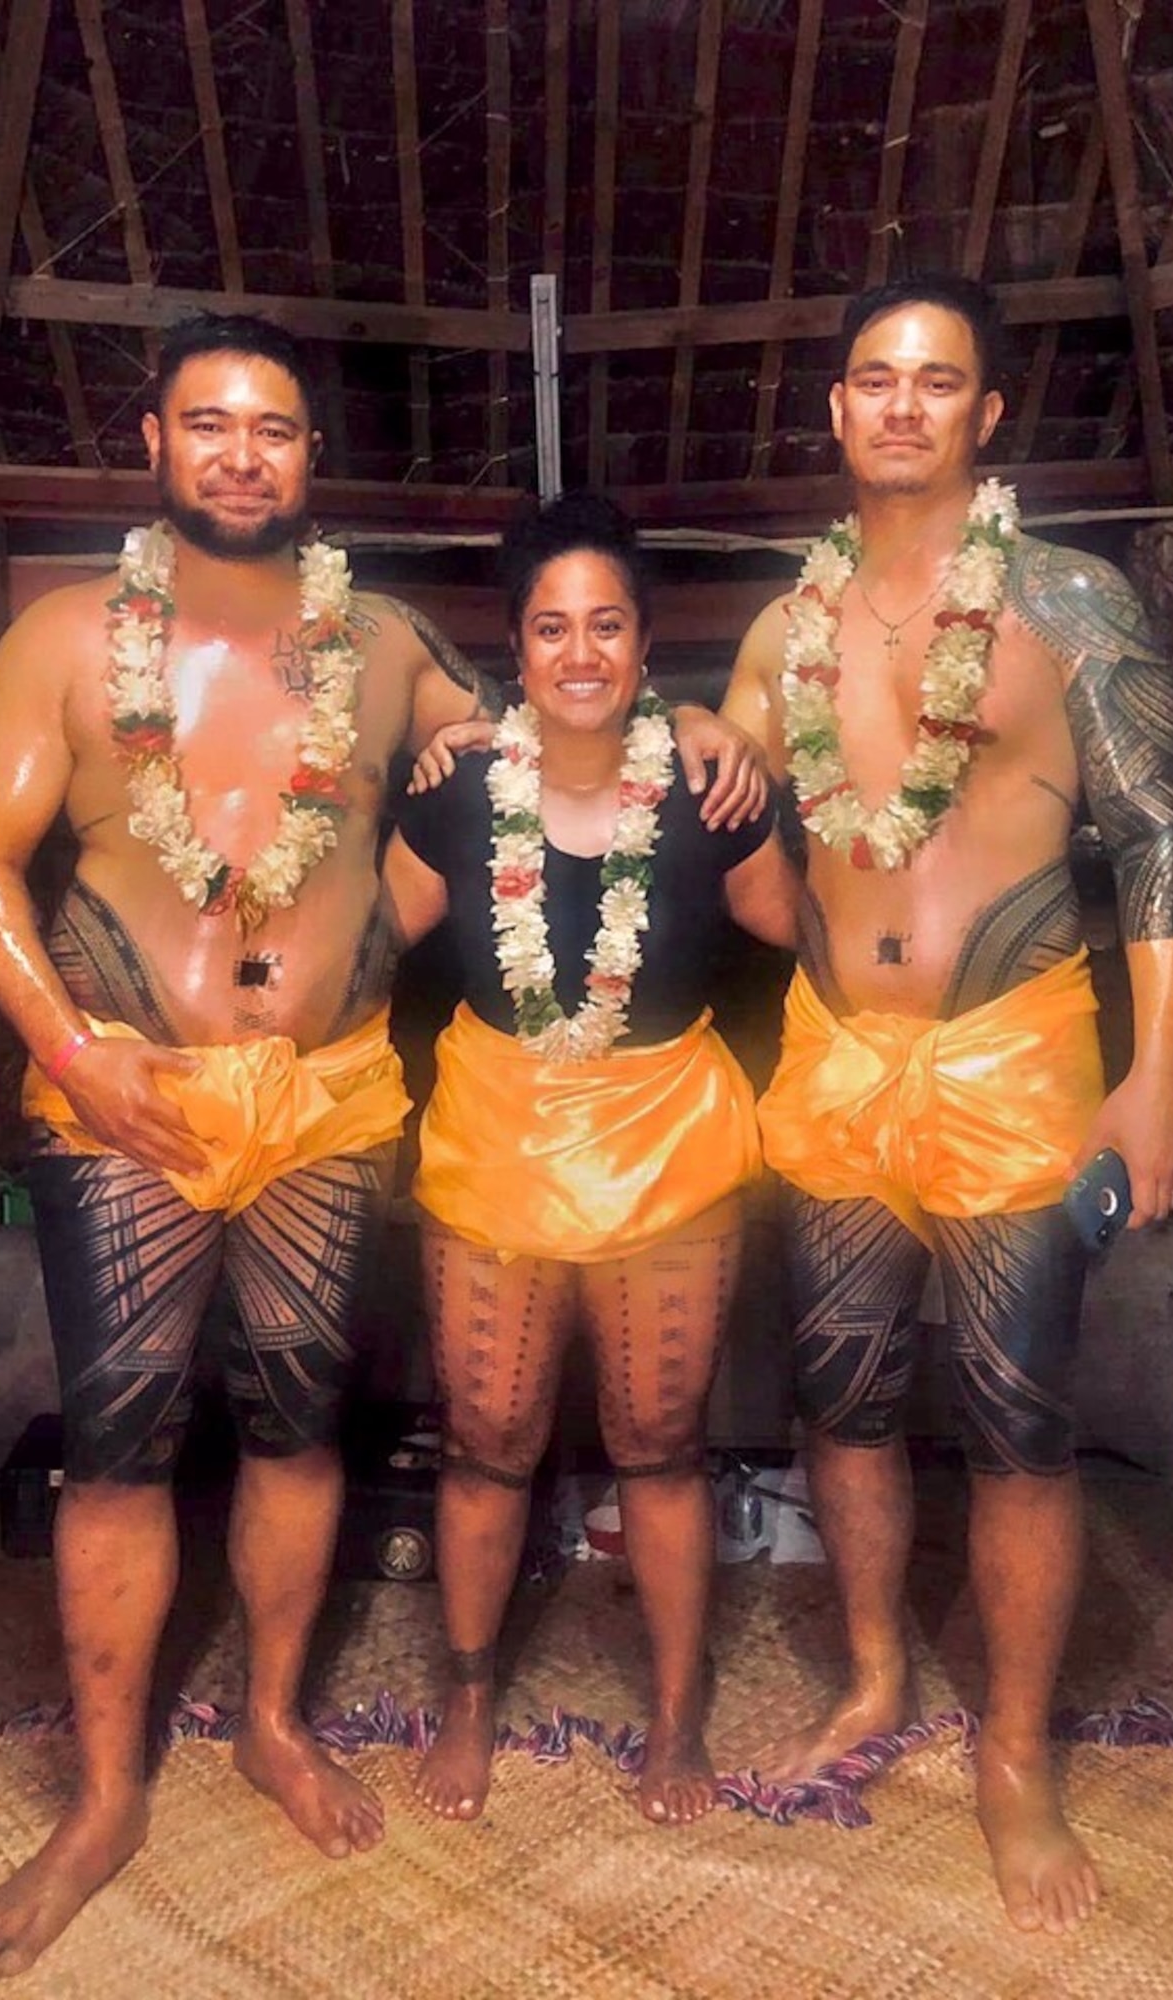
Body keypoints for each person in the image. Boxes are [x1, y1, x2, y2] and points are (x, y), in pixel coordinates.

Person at [0, 312, 760, 1978]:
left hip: (325, 1097)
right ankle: (102, 1796)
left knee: (299, 1422)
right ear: (152, 441)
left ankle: (272, 1720)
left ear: (311, 460)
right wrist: (67, 1053)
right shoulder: (63, 636)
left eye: (279, 429)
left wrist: (710, 723)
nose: (245, 452)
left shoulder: (381, 645)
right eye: (212, 423)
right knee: (118, 1436)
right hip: (131, 1092)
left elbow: (563, 707)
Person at [721, 276, 1173, 1935]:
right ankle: (870, 1675)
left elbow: (1157, 838)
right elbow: (720, 811)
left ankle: (1014, 1752)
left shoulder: (1070, 601)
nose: (904, 406)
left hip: (1015, 1052)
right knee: (845, 1390)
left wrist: (1157, 1080)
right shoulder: (787, 628)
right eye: (875, 379)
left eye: (939, 382)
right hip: (837, 1054)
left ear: (988, 415)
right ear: (838, 410)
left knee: (1015, 1415)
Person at [382, 493, 799, 1826]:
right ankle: (466, 1696)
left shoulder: (704, 787)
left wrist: (750, 751)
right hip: (497, 1141)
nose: (579, 651)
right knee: (489, 1439)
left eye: (605, 624)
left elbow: (815, 935)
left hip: (663, 1144)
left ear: (643, 640)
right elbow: (360, 943)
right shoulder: (452, 795)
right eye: (551, 626)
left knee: (660, 1444)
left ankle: (676, 1719)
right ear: (514, 647)